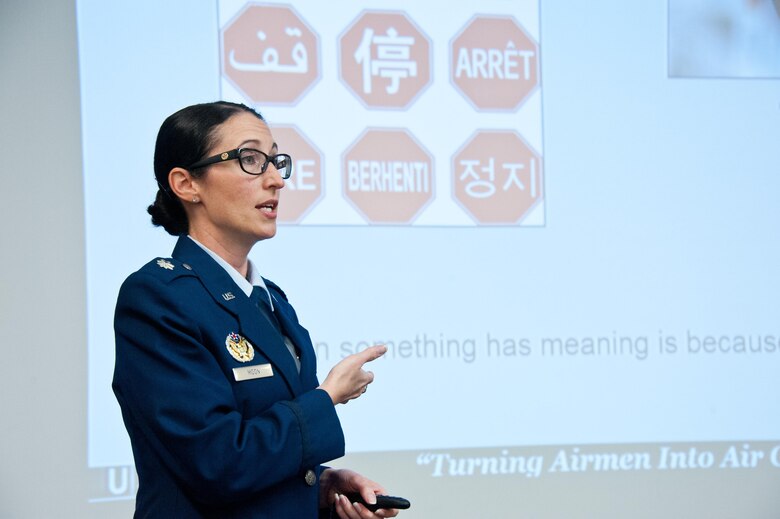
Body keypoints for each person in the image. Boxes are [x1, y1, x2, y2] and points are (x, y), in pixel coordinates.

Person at [113, 101, 400, 518]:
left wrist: (321, 486)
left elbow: (261, 458)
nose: (275, 180)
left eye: (275, 161)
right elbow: (216, 462)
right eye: (250, 159)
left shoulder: (272, 300)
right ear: (186, 183)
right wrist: (326, 399)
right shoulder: (157, 297)